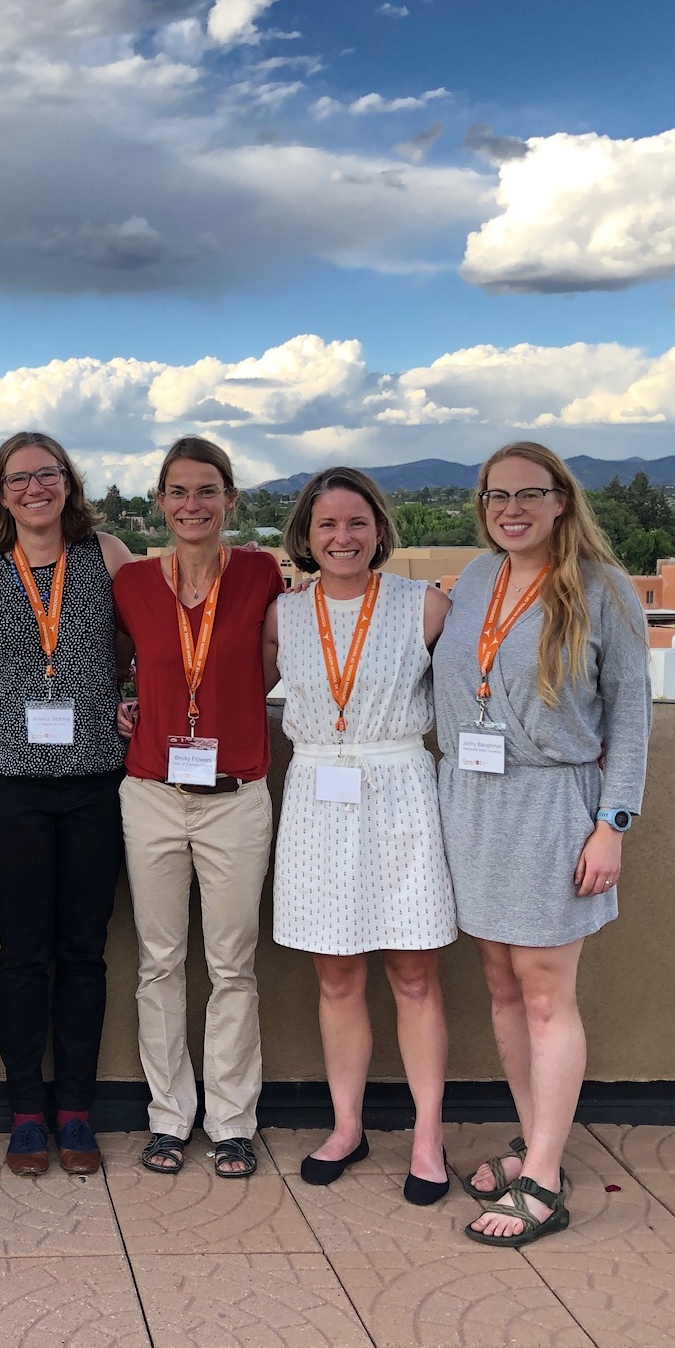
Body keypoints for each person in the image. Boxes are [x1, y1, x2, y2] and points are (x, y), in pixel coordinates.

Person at [434, 440, 649, 1246]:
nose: (511, 509)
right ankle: (534, 1140)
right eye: (496, 496)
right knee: (500, 984)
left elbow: (631, 719)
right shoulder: (479, 578)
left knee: (548, 993)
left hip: (555, 804)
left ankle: (546, 1180)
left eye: (529, 494)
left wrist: (613, 824)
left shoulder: (606, 592)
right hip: (472, 801)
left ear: (563, 499)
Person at [269, 467, 455, 1205]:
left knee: (413, 975)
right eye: (326, 526)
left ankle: (428, 1136)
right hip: (316, 795)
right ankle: (347, 1126)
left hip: (400, 792)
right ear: (306, 538)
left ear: (379, 529)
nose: (342, 537)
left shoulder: (427, 606)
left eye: (355, 523)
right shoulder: (282, 615)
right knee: (337, 975)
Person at [0, 432, 132, 1176]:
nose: (35, 488)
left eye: (48, 474)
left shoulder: (111, 554)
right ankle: (27, 1110)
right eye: (19, 478)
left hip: (96, 779)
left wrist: (134, 699)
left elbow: (143, 646)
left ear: (69, 482)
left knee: (84, 953)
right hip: (10, 783)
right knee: (22, 953)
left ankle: (77, 1110)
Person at [112, 436, 283, 1179]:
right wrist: (127, 702)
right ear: (160, 501)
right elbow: (114, 663)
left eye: (207, 491)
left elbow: (276, 667)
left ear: (230, 500)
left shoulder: (262, 574)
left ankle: (233, 1121)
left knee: (232, 966)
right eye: (178, 492)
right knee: (159, 964)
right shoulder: (133, 584)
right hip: (151, 792)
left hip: (235, 797)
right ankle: (168, 1117)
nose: (192, 505)